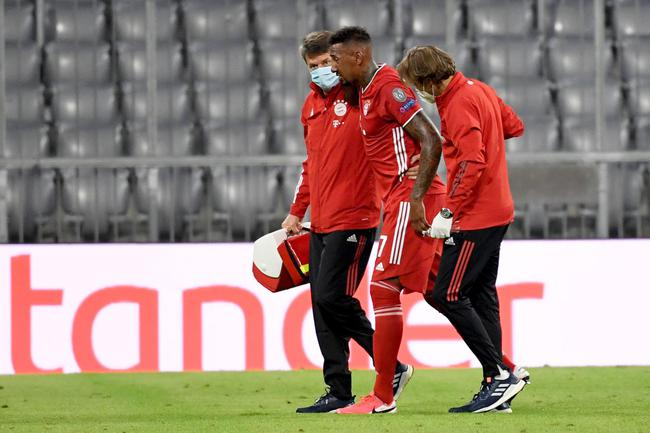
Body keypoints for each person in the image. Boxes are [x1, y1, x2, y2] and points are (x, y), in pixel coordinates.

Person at [283, 31, 414, 414]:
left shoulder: (362, 95)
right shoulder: (310, 105)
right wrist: (297, 211)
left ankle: (390, 365)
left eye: (327, 62)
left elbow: (400, 123)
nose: (322, 70)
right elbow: (310, 165)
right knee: (322, 306)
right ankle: (338, 389)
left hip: (356, 217)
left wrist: (412, 165)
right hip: (321, 221)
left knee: (331, 298)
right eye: (314, 66)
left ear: (339, 59)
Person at [396, 44, 528, 413]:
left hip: (475, 216)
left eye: (416, 83)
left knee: (447, 295)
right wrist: (484, 137)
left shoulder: (455, 103)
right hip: (498, 209)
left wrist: (448, 210)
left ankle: (499, 374)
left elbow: (472, 161)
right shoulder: (479, 89)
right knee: (482, 296)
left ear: (428, 80)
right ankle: (497, 383)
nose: (417, 90)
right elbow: (513, 126)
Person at [328, 26, 447, 414]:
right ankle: (502, 371)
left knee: (382, 287)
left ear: (358, 56)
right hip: (401, 197)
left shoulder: (387, 87)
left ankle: (382, 395)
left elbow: (431, 138)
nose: (332, 66)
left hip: (409, 197)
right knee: (445, 292)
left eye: (335, 59)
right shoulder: (363, 91)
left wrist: (416, 197)